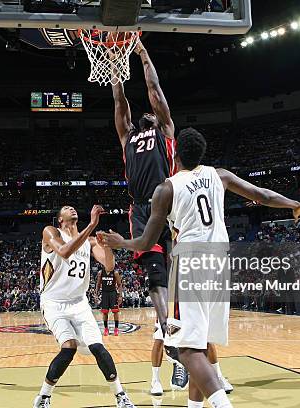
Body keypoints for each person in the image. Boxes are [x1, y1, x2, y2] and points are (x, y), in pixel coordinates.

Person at [100, 128, 300, 408]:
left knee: (187, 349)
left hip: (191, 262)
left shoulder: (166, 188)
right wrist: (296, 204)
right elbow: (260, 194)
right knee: (201, 343)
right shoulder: (220, 175)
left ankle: (221, 405)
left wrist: (121, 242)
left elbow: (147, 241)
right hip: (220, 261)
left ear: (174, 155)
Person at [111, 36, 190, 391]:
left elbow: (155, 90)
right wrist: (114, 69)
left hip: (169, 202)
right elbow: (120, 102)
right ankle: (170, 335)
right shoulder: (128, 137)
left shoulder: (165, 129)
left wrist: (142, 55)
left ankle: (184, 338)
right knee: (156, 279)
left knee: (177, 278)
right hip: (141, 209)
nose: (146, 114)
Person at [32, 205, 134, 408]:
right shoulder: (51, 232)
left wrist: (106, 244)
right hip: (54, 303)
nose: (72, 209)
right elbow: (65, 251)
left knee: (98, 347)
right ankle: (43, 397)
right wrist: (92, 225)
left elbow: (109, 266)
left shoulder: (89, 241)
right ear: (60, 219)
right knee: (68, 348)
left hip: (79, 303)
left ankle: (121, 396)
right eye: (67, 208)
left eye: (73, 208)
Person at [96, 268, 123, 336]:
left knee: (115, 311)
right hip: (104, 293)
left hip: (113, 293)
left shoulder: (115, 273)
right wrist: (96, 295)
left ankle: (116, 328)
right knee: (105, 312)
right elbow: (98, 284)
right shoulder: (100, 272)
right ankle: (106, 329)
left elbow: (119, 284)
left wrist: (120, 296)